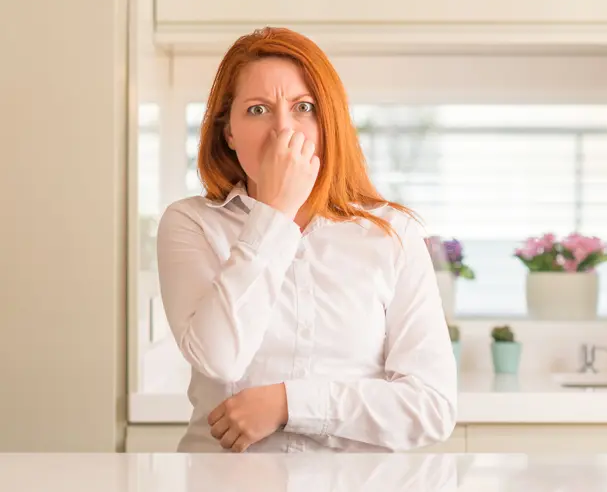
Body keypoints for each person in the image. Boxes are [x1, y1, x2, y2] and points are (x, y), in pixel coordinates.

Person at [156, 26, 457, 453]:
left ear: (327, 121)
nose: (284, 131)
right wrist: (274, 212)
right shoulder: (190, 224)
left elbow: (430, 406)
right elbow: (219, 360)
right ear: (228, 133)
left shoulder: (393, 234)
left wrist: (288, 403)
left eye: (304, 107)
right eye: (258, 110)